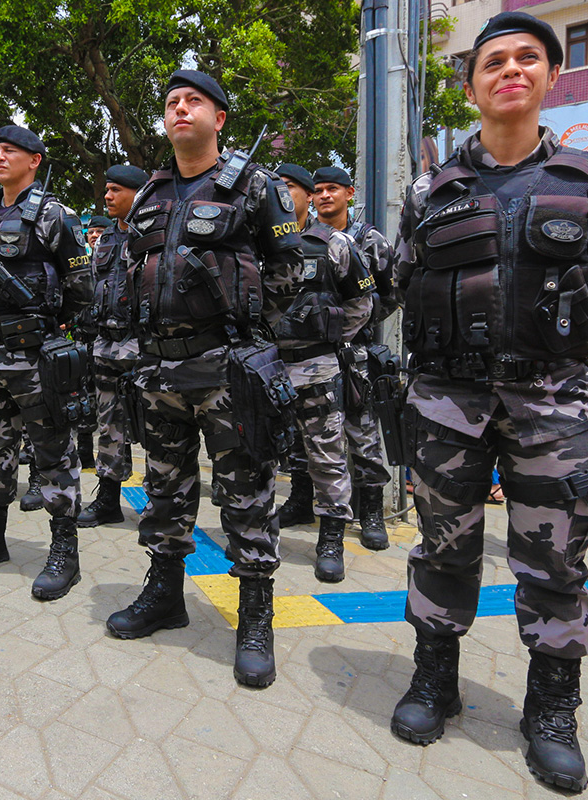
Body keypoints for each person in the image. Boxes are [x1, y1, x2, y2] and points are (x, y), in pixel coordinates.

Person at [390, 13, 588, 790]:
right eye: (493, 61)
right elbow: (404, 276)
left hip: (552, 402)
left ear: (551, 76)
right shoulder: (430, 189)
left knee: (554, 557)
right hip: (448, 400)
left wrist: (564, 338)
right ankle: (435, 679)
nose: (511, 69)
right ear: (472, 87)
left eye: (527, 58)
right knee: (442, 544)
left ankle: (552, 707)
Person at [104, 70, 303, 688]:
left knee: (246, 492)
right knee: (165, 486)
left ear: (219, 118)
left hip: (227, 368)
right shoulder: (151, 192)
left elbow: (290, 272)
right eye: (172, 102)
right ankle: (165, 594)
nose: (181, 109)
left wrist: (248, 335)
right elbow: (135, 268)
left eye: (194, 101)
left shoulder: (254, 185)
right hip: (160, 366)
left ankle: (255, 617)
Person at [0, 124, 93, 602]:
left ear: (35, 160)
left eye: (10, 150)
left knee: (53, 453)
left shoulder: (54, 214)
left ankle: (64, 550)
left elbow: (82, 287)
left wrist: (49, 331)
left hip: (35, 355)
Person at [272, 163, 373, 581]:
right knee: (261, 454)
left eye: (290, 187)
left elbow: (361, 304)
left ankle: (331, 538)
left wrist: (327, 339)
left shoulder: (334, 244)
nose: (282, 194)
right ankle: (257, 532)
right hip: (267, 369)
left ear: (308, 195)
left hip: (316, 367)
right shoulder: (258, 243)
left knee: (327, 457)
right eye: (276, 187)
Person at [310, 165, 395, 548]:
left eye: (332, 188)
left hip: (356, 352)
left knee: (363, 433)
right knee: (312, 435)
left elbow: (390, 294)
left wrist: (351, 322)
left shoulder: (370, 240)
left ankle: (371, 512)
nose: (324, 196)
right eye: (318, 190)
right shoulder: (307, 238)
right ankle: (302, 501)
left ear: (349, 193)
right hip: (314, 354)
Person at [78, 165, 149, 527]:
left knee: (157, 428)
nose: (107, 196)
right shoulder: (105, 239)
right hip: (107, 346)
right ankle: (108, 500)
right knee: (109, 426)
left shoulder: (154, 233)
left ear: (138, 194)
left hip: (145, 348)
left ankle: (160, 503)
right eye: (106, 189)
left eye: (116, 190)